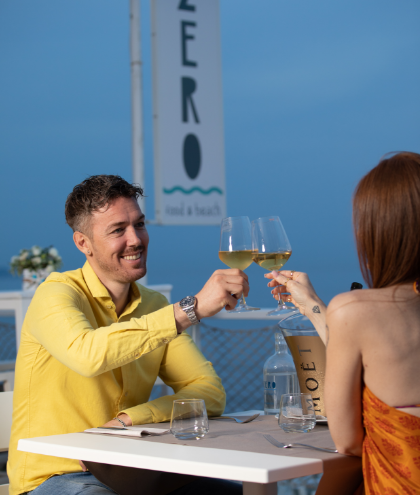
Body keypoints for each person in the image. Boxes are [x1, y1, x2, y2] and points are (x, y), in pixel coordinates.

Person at [8, 175, 246, 495]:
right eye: (118, 230)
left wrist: (130, 420)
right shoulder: (54, 294)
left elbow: (209, 392)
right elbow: (88, 355)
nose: (135, 239)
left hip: (133, 474)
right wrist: (190, 309)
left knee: (235, 492)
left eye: (140, 224)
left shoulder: (153, 305)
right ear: (83, 243)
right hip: (57, 475)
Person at [267, 152, 420, 494]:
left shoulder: (354, 310)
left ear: (379, 230)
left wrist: (331, 311)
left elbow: (348, 443)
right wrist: (315, 307)